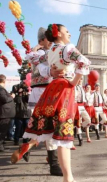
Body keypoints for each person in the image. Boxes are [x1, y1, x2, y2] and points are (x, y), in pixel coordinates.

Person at [11, 24, 91, 182]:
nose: (69, 33)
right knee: (62, 135)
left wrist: (50, 71)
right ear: (59, 34)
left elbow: (34, 59)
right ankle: (67, 177)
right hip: (64, 90)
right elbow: (84, 62)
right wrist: (74, 81)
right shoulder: (67, 49)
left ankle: (66, 175)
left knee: (55, 131)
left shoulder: (50, 51)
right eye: (66, 31)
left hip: (51, 88)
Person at [23, 27, 63, 176]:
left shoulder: (42, 52)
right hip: (43, 92)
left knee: (43, 127)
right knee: (48, 128)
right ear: (41, 40)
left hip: (45, 92)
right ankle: (53, 164)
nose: (51, 41)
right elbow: (39, 63)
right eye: (48, 39)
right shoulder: (41, 53)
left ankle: (28, 145)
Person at [0, 74, 16, 152]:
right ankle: (0, 146)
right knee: (2, 131)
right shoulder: (1, 89)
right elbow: (4, 99)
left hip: (5, 113)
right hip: (4, 114)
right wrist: (11, 96)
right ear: (4, 80)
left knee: (4, 130)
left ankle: (2, 145)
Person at [75, 77, 91, 145]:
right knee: (78, 121)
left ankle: (80, 127)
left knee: (88, 120)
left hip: (82, 106)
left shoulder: (82, 88)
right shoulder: (75, 87)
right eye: (79, 79)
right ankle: (80, 138)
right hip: (77, 106)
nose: (80, 80)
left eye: (81, 79)